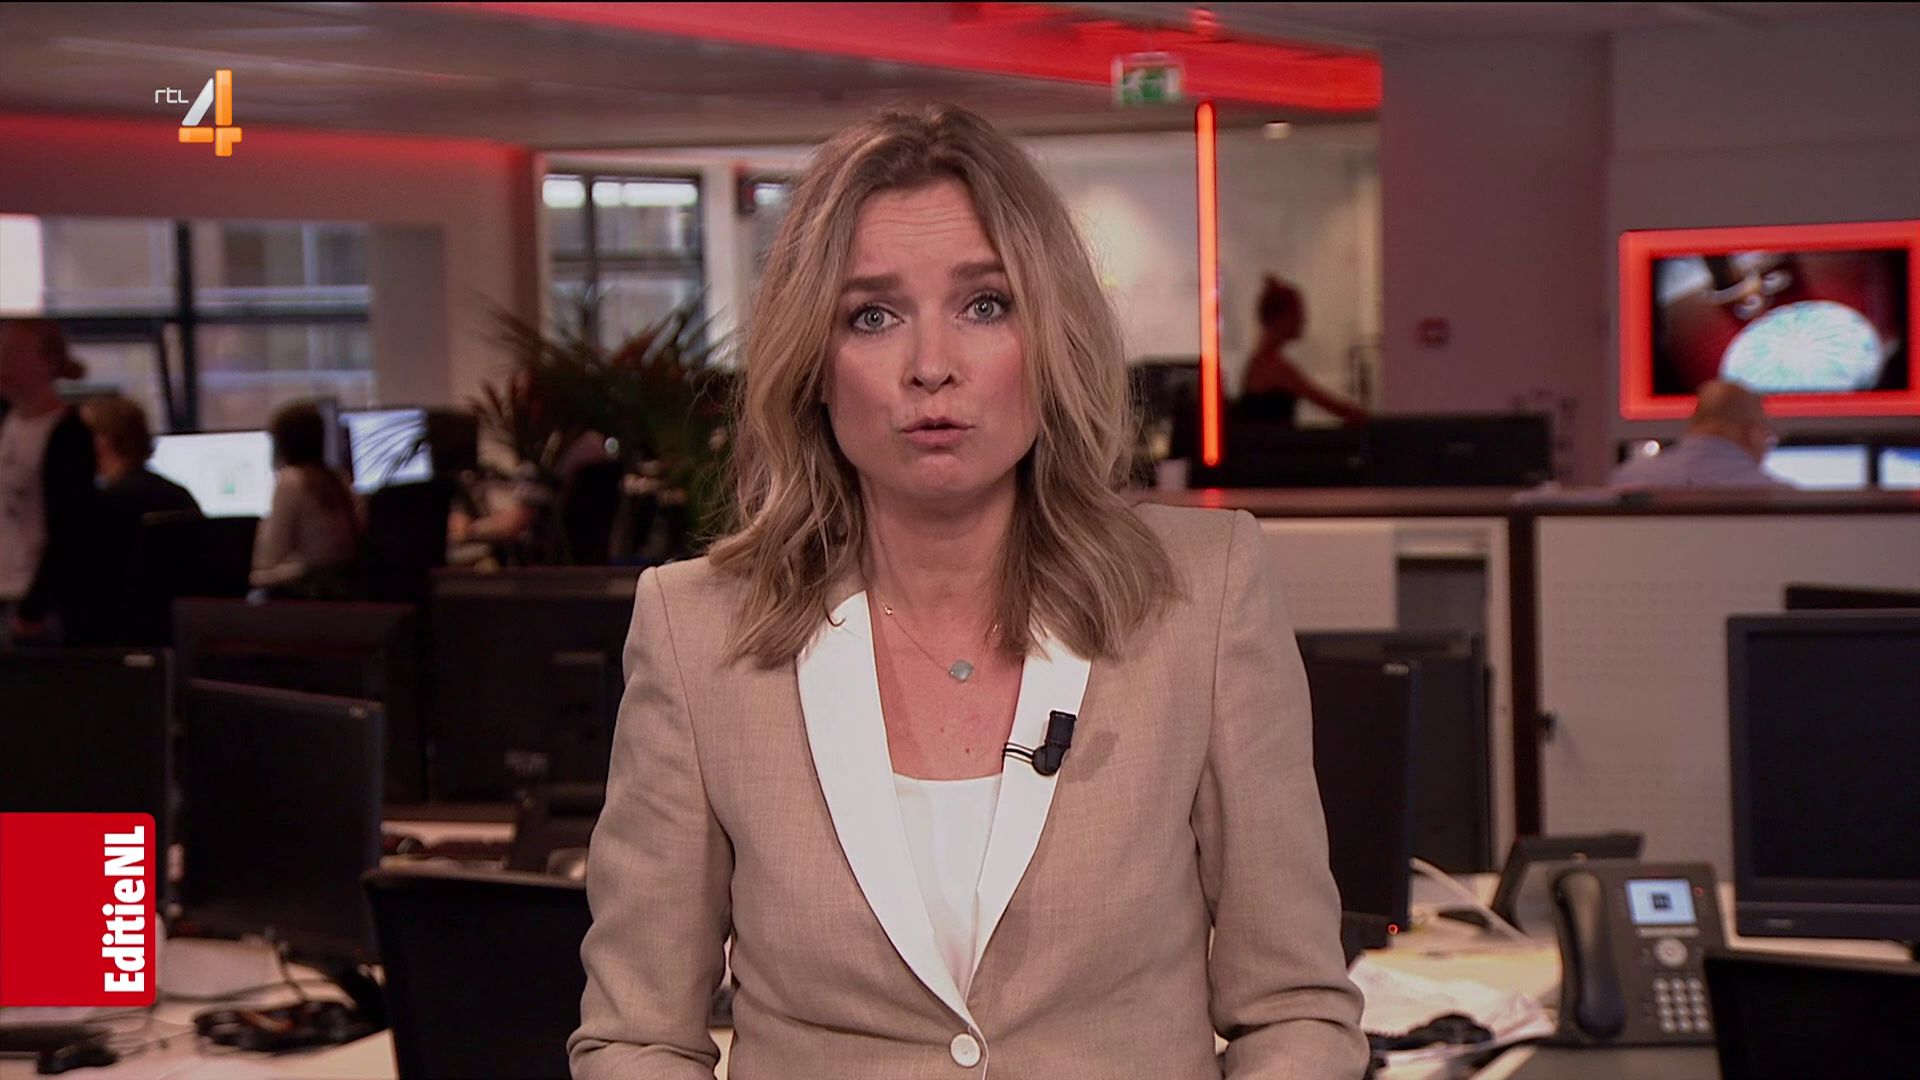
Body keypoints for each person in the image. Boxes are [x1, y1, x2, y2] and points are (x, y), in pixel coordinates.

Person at [570, 104, 1365, 1079]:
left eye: (985, 305)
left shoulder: (1202, 592)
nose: (932, 367)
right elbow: (639, 1036)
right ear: (813, 363)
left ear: (1049, 334)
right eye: (872, 316)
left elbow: (1293, 1009)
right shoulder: (696, 629)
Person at [0, 318, 96, 646]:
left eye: (13, 353)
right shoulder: (7, 423)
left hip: (32, 600)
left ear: (48, 362)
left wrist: (34, 609)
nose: (3, 362)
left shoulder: (67, 434)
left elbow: (69, 527)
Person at [79, 396, 202, 640]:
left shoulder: (104, 504)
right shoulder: (179, 495)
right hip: (178, 631)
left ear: (102, 441)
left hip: (114, 635)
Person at [252, 401, 361, 595]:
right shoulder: (339, 480)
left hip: (306, 591)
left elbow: (270, 557)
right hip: (340, 590)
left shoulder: (291, 481)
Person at [1609, 379, 1790, 490]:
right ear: (1752, 433)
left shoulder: (1628, 479)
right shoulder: (1777, 499)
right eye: (1767, 437)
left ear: (1695, 423)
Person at [1237, 275, 1367, 427]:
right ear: (1281, 318)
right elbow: (1325, 402)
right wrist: (1363, 418)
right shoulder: (1274, 367)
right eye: (1298, 315)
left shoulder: (1260, 362)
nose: (1302, 321)